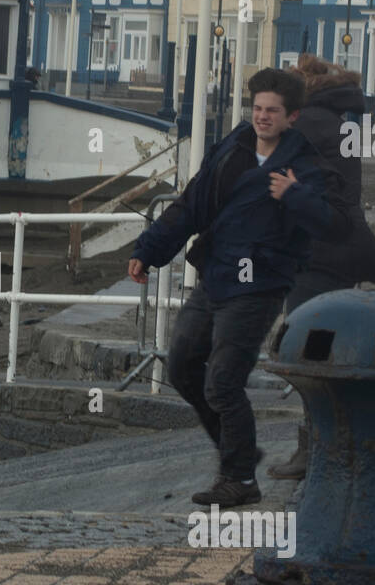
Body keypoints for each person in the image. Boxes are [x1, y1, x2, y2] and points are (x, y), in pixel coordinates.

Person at [128, 68, 351, 508]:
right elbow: (191, 204)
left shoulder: (306, 166)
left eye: (272, 111)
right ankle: (243, 453)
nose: (262, 117)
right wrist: (149, 250)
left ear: (292, 117)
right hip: (216, 275)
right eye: (258, 109)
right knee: (181, 367)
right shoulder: (233, 147)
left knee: (223, 382)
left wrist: (294, 195)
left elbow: (332, 225)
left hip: (259, 286)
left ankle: (239, 479)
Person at [266, 55, 375, 479]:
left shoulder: (306, 127)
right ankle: (334, 444)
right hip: (340, 252)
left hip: (316, 253)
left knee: (306, 352)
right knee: (324, 349)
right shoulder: (340, 122)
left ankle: (315, 450)